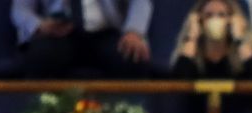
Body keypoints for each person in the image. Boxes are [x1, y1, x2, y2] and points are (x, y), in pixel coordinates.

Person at [13, 0, 153, 77]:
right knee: (41, 57)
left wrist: (133, 32)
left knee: (132, 57)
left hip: (105, 31)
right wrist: (39, 25)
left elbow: (141, 2)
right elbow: (20, 8)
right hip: (58, 32)